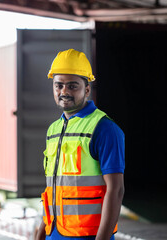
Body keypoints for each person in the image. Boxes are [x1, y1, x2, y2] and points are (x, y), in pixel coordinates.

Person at [36, 49, 125, 240]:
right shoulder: (53, 130)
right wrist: (41, 230)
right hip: (55, 234)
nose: (64, 92)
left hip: (87, 236)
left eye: (72, 86)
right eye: (58, 85)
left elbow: (116, 190)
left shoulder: (104, 128)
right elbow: (54, 188)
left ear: (86, 89)